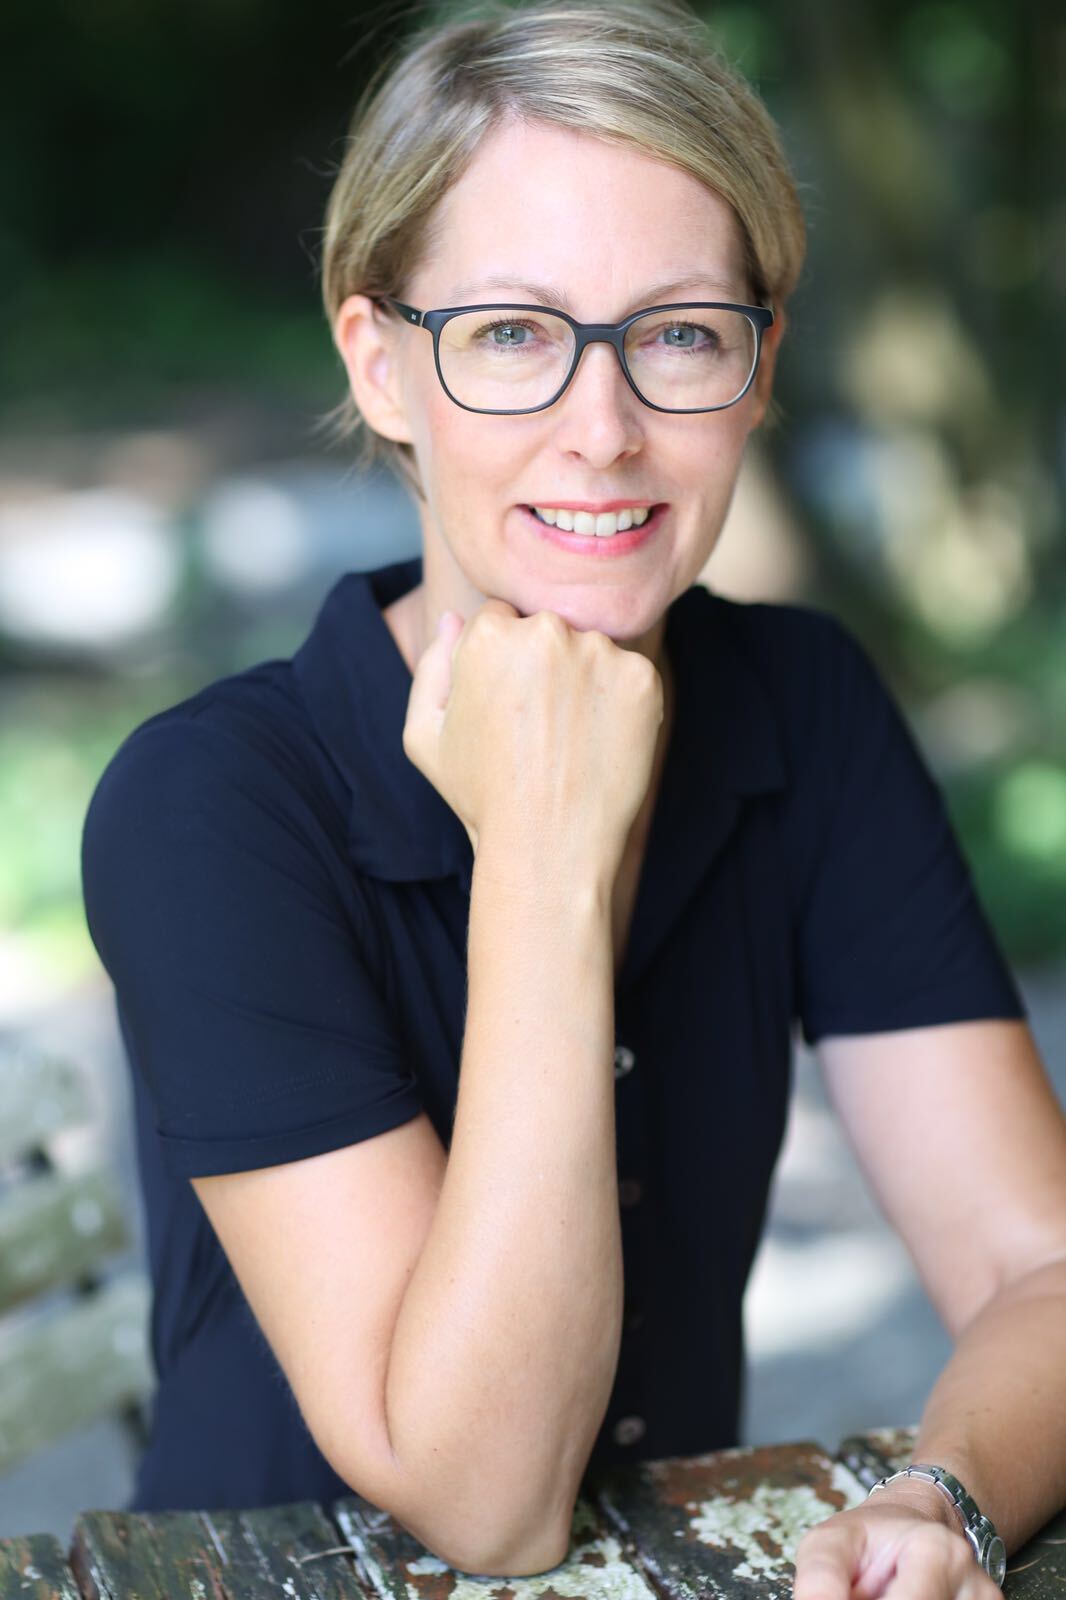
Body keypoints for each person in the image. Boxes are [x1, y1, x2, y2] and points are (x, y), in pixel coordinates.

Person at [80, 0, 1066, 1589]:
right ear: (383, 366)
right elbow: (484, 1503)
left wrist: (937, 1497)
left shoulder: (800, 708)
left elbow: (1041, 1260)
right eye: (513, 335)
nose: (601, 434)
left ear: (756, 374)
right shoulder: (210, 804)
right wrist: (547, 848)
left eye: (677, 333)